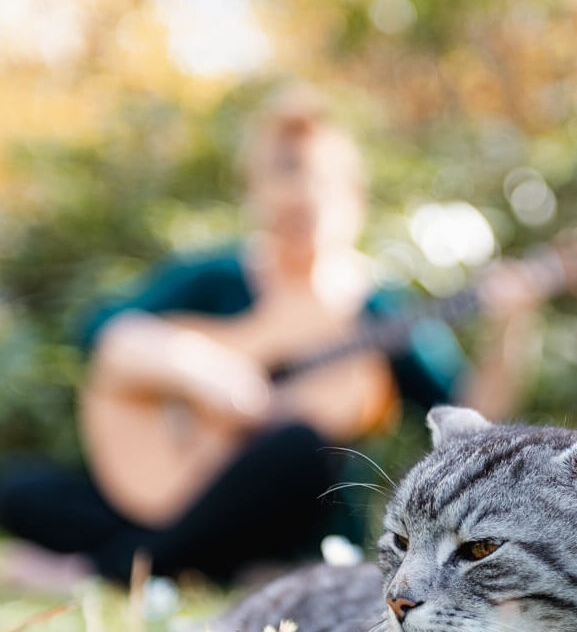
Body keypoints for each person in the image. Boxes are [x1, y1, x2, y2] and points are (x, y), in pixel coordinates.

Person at [0, 86, 537, 589]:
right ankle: (160, 559)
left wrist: (511, 326)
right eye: (283, 174)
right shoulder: (218, 277)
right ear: (256, 189)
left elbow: (470, 419)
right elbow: (105, 332)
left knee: (302, 443)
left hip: (287, 527)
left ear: (352, 197)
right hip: (164, 494)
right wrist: (203, 371)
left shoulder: (376, 309)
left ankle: (106, 568)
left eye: (316, 180)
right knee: (18, 487)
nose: (299, 195)